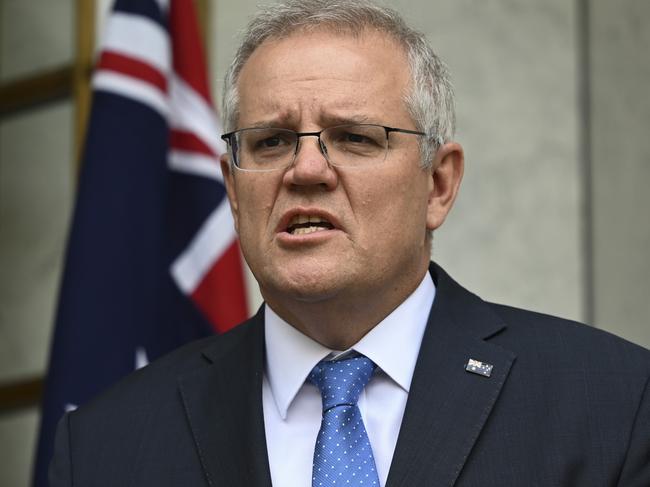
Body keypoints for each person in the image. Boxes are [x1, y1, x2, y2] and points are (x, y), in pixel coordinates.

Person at [50, 1, 650, 486]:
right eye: (271, 142)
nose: (306, 169)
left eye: (356, 138)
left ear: (438, 184)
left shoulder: (612, 402)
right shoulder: (107, 445)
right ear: (233, 192)